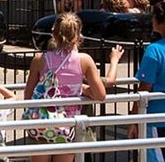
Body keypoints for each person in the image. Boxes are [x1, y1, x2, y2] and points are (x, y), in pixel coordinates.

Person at [105, 0, 165, 162]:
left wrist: (134, 121)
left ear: (163, 21)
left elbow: (143, 90)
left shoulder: (155, 50)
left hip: (158, 119)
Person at [21, 12, 107, 159]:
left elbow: (28, 96)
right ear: (79, 35)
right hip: (68, 125)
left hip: (41, 123)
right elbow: (100, 95)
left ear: (54, 34)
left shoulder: (40, 60)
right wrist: (82, 89)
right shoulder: (85, 60)